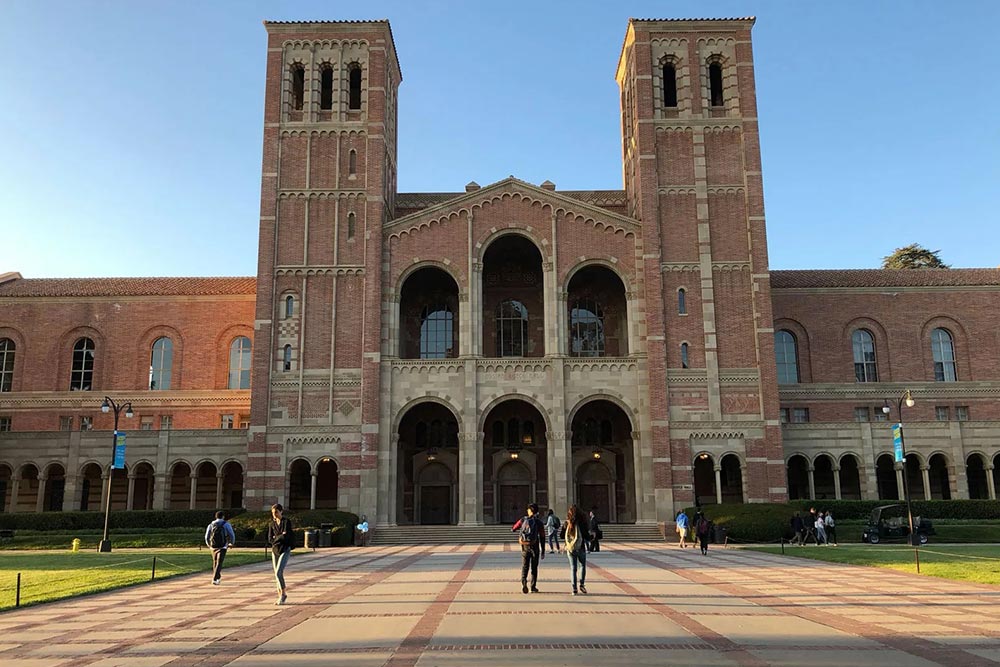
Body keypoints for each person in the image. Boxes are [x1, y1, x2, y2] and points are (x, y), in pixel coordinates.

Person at [512, 503, 545, 594]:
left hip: (525, 547)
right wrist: (543, 550)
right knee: (534, 568)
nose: (527, 511)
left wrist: (515, 529)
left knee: (525, 566)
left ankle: (524, 583)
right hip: (535, 547)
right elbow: (542, 536)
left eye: (528, 509)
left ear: (530, 510)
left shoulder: (523, 520)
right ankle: (533, 587)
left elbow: (514, 527)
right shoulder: (539, 522)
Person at [267, 503, 295, 605]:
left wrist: (277, 538)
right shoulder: (271, 524)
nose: (274, 515)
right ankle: (279, 594)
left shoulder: (286, 522)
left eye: (276, 512)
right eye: (273, 513)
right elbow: (270, 538)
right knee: (276, 574)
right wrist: (279, 537)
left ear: (281, 511)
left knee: (279, 572)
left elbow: (286, 536)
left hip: (285, 549)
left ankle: (283, 594)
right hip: (275, 550)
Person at [564, 505, 589, 595]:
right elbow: (586, 536)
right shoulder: (582, 523)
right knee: (582, 566)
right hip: (580, 547)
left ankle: (574, 588)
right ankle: (581, 585)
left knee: (573, 568)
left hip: (570, 549)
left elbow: (561, 535)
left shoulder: (567, 523)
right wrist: (592, 537)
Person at [205, 510, 236, 585]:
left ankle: (217, 577)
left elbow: (207, 536)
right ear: (223, 516)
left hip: (213, 546)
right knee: (219, 562)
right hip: (223, 545)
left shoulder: (211, 525)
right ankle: (215, 578)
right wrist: (232, 543)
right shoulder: (226, 524)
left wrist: (209, 544)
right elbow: (231, 534)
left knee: (215, 562)